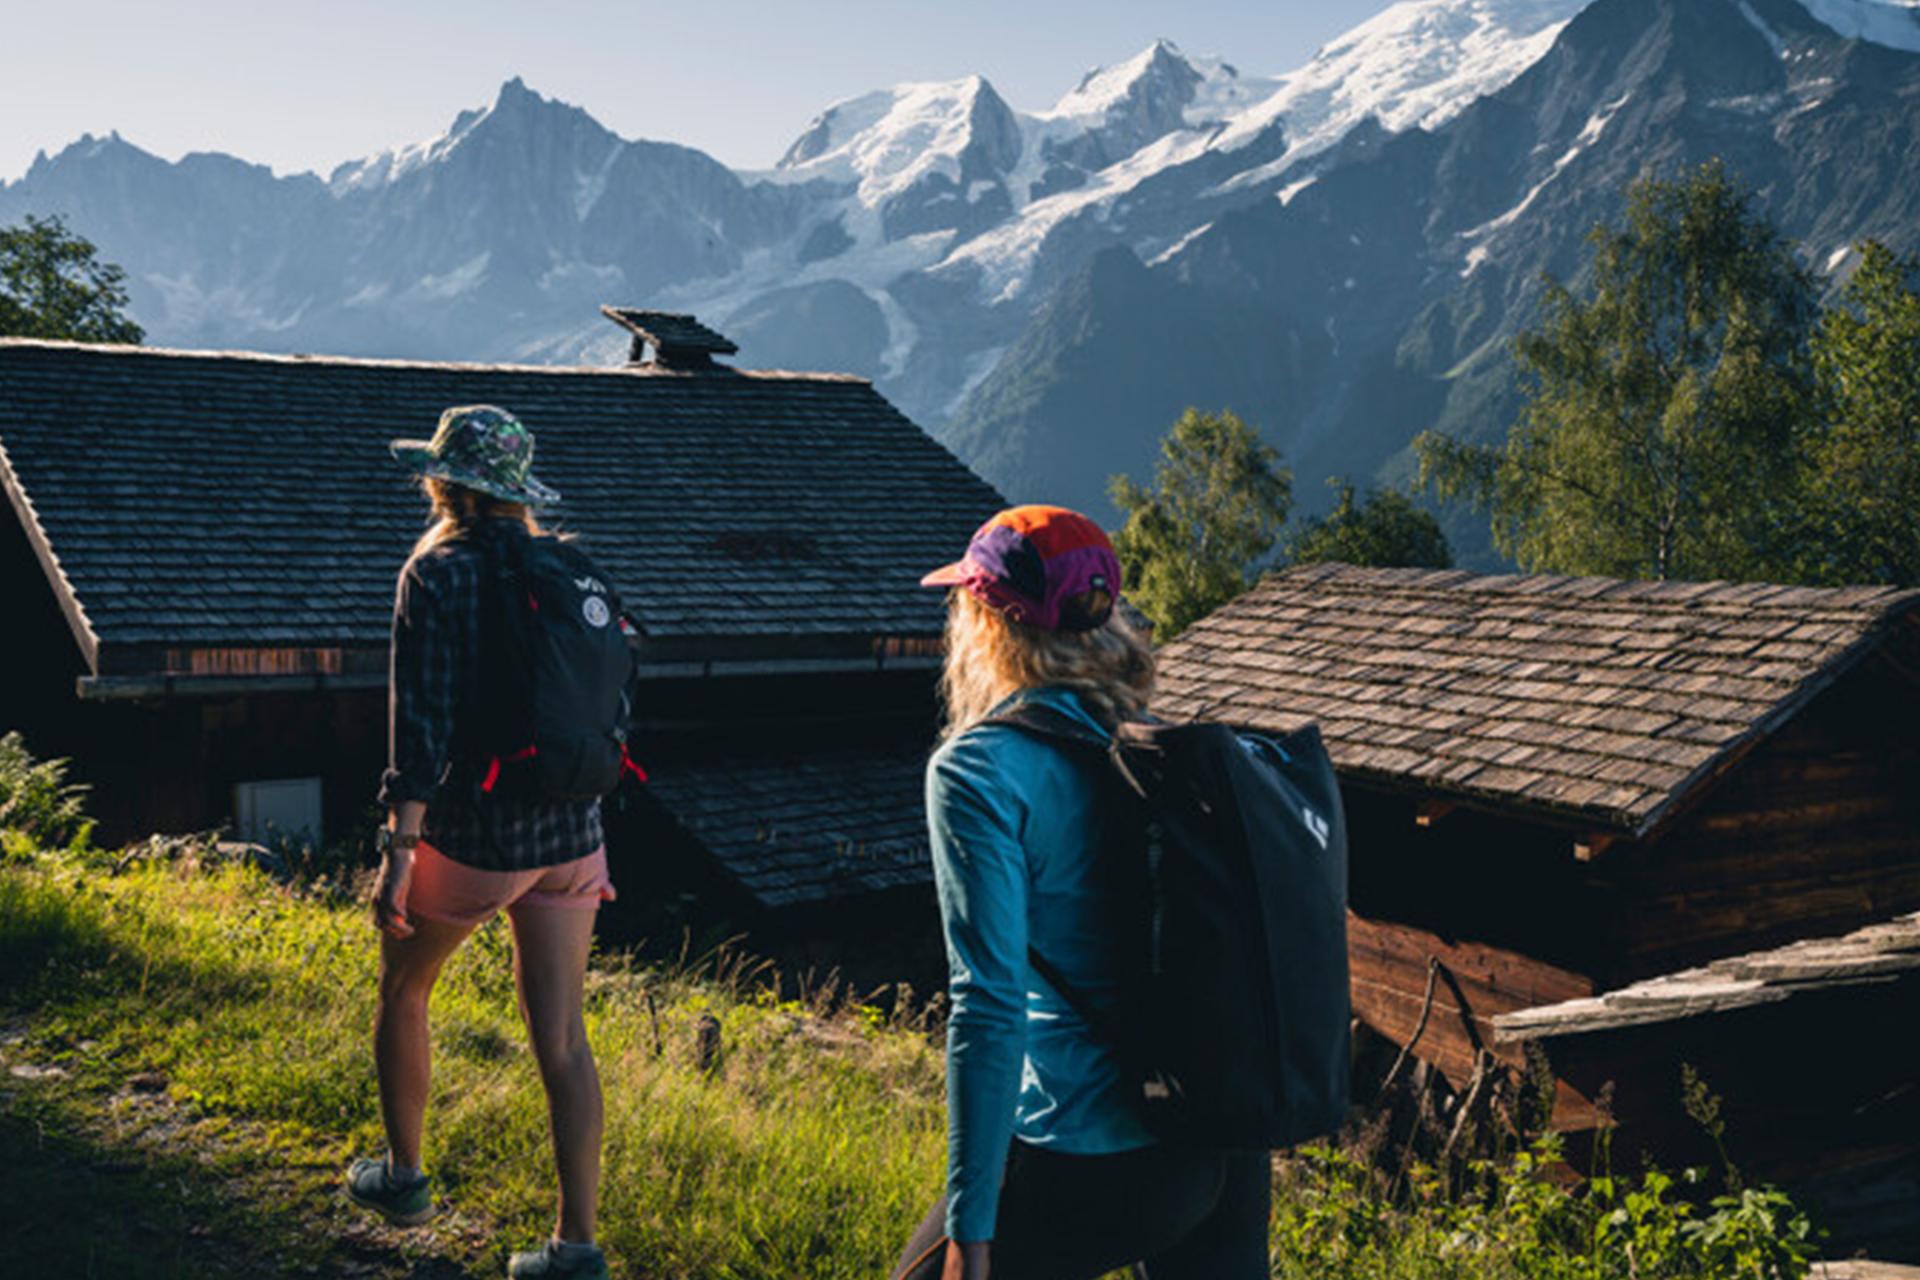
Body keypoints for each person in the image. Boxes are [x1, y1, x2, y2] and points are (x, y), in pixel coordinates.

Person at [893, 505, 1271, 1280]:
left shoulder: (977, 770)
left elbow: (988, 1007)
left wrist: (973, 1222)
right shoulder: (1161, 745)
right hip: (1216, 1139)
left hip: (1089, 1150)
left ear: (988, 624)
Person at [345, 405, 615, 1280]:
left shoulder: (436, 572)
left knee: (405, 990)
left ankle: (405, 1178)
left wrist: (399, 852)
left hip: (473, 837)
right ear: (515, 493)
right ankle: (576, 1248)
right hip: (573, 832)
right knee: (564, 1038)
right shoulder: (568, 565)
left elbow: (418, 727)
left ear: (444, 482)